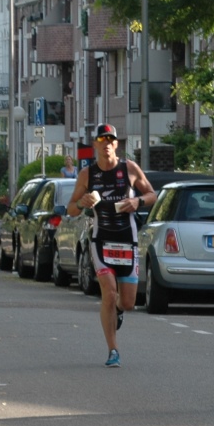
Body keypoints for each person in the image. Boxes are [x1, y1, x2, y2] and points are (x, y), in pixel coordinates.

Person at [67, 123, 157, 367]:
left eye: (110, 140)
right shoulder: (88, 174)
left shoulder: (129, 168)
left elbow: (152, 195)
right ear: (95, 144)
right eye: (102, 140)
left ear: (116, 144)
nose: (106, 144)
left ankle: (118, 310)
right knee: (109, 292)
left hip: (127, 240)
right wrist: (82, 203)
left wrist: (138, 202)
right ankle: (113, 350)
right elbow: (71, 208)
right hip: (102, 240)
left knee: (127, 302)